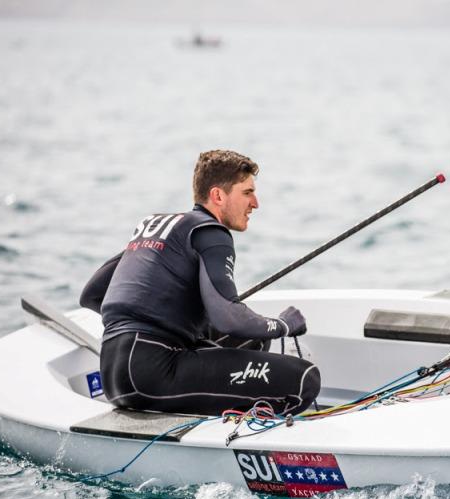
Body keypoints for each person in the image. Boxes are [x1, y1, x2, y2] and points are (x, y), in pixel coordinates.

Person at [79, 150, 320, 416]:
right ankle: (241, 439)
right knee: (304, 379)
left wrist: (173, 325)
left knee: (252, 337)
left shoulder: (162, 228)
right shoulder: (211, 233)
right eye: (247, 192)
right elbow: (228, 318)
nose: (255, 203)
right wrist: (284, 325)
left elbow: (91, 295)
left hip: (114, 375)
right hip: (154, 374)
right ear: (218, 196)